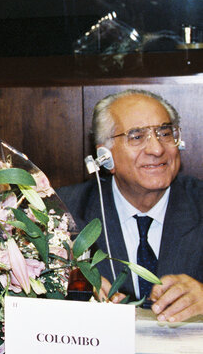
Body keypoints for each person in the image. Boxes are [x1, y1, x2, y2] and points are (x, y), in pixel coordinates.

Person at [58, 90, 203, 323]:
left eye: (165, 133)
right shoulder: (64, 211)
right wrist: (66, 291)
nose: (157, 149)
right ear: (105, 156)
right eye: (136, 137)